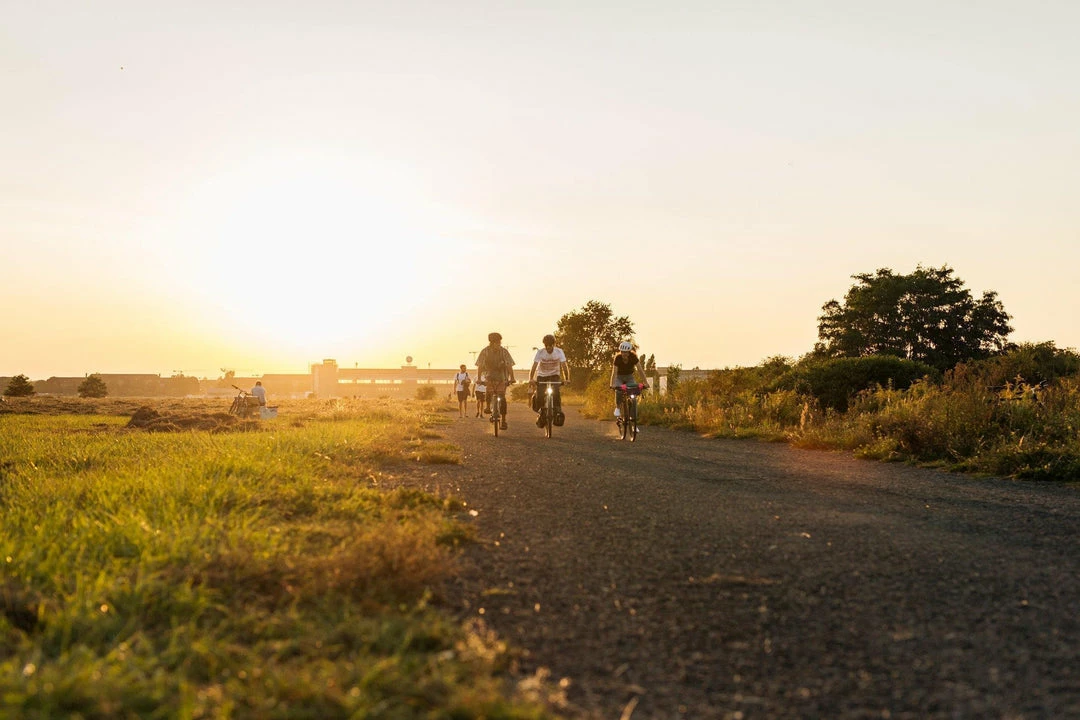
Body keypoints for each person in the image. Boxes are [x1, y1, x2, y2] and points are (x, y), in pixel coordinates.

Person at [476, 332, 516, 430]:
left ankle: (503, 421)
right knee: (489, 390)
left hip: (502, 375)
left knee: (502, 398)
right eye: (497, 342)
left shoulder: (504, 352)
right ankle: (488, 406)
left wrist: (512, 377)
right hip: (489, 374)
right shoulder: (485, 351)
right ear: (492, 343)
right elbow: (480, 366)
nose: (499, 344)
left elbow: (509, 365)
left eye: (500, 342)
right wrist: (479, 378)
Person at [529, 334, 570, 428]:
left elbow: (564, 366)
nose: (548, 348)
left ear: (553, 345)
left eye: (550, 345)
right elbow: (534, 366)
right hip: (542, 375)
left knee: (556, 393)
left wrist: (567, 378)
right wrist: (531, 379)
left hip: (554, 375)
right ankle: (541, 413)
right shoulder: (540, 352)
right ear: (544, 345)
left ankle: (557, 411)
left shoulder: (559, 352)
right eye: (546, 346)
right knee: (540, 395)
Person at [609, 341, 648, 417]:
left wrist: (645, 382)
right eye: (622, 352)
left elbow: (640, 370)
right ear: (621, 352)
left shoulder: (633, 357)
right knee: (619, 391)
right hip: (619, 377)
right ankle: (617, 408)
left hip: (629, 377)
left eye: (626, 352)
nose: (624, 354)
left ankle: (633, 418)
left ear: (629, 352)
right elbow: (614, 372)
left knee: (633, 393)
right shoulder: (618, 358)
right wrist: (612, 384)